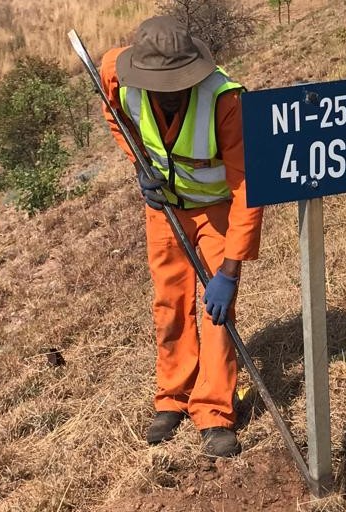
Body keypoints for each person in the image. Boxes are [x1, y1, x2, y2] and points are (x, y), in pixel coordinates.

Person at [98, 16, 264, 457]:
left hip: (215, 210)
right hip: (166, 209)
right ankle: (173, 396)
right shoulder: (118, 73)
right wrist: (139, 166)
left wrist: (230, 271)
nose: (170, 92)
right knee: (169, 303)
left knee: (216, 312)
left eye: (178, 82)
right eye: (161, 84)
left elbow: (248, 187)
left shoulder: (226, 101)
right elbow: (114, 113)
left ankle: (214, 412)